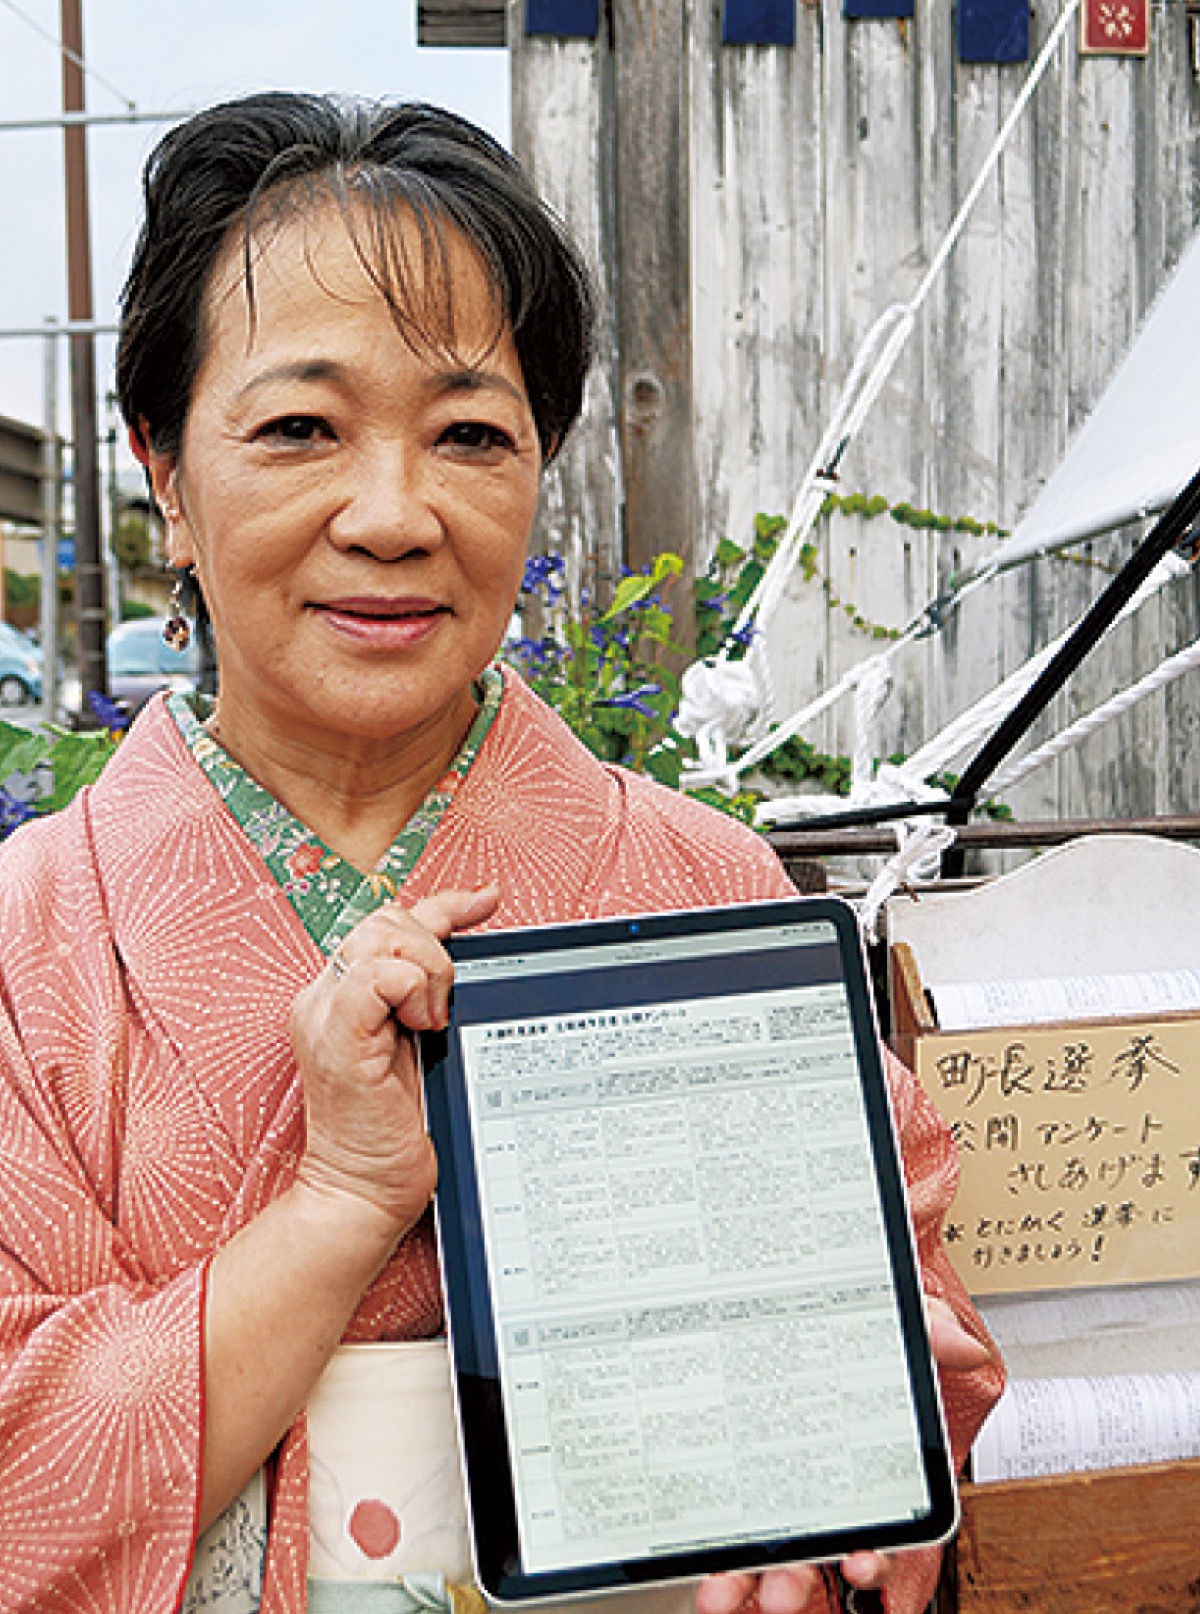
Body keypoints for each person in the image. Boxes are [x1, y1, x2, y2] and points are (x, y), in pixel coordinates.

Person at [0, 93, 1002, 1614]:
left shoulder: (703, 884)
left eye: (471, 432)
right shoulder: (28, 944)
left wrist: (862, 1433)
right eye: (298, 429)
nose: (397, 514)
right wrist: (340, 1203)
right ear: (163, 472)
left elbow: (911, 1341)